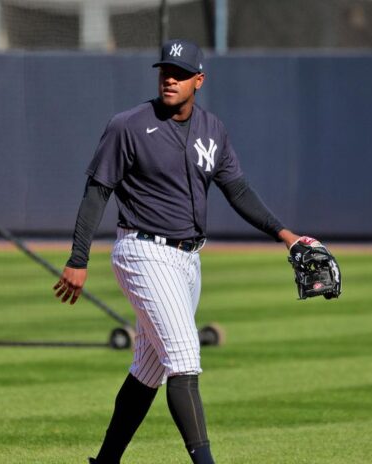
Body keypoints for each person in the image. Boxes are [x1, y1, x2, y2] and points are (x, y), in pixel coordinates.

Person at [53, 39, 302, 464]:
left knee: (148, 370)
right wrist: (79, 258)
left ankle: (105, 461)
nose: (170, 78)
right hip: (142, 251)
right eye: (165, 70)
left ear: (198, 81)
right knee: (185, 359)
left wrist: (285, 234)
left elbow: (237, 189)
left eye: (180, 73)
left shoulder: (212, 130)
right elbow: (97, 193)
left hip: (188, 260)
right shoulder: (127, 125)